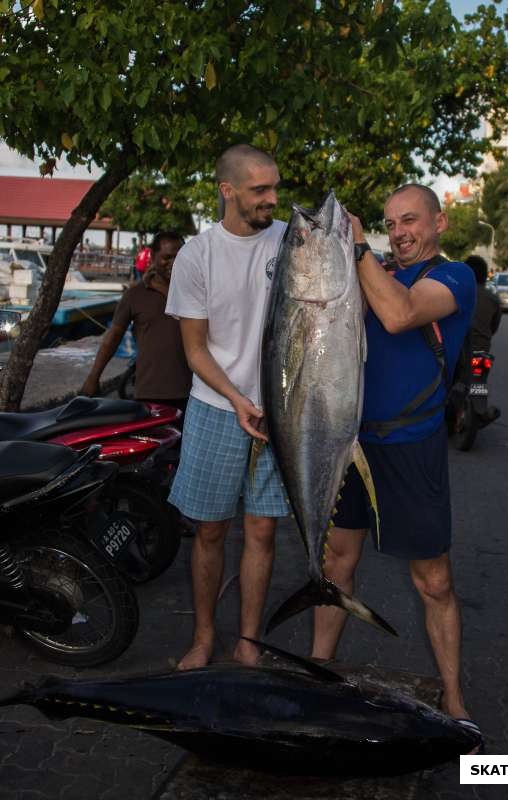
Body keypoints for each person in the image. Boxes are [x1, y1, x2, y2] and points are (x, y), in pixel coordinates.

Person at [312, 184, 481, 748]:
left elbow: (399, 314)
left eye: (410, 220)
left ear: (439, 223)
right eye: (390, 223)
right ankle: (317, 673)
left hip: (412, 446)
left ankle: (455, 700)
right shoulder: (374, 267)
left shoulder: (454, 278)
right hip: (352, 444)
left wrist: (358, 250)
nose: (400, 231)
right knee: (336, 564)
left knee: (433, 581)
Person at [165, 144, 289, 671]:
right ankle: (202, 638)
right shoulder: (197, 255)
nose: (272, 199)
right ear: (228, 190)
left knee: (262, 531)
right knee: (211, 530)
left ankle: (249, 641)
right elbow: (195, 350)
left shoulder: (291, 240)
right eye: (260, 189)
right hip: (216, 407)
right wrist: (237, 398)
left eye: (275, 188)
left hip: (279, 411)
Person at [81, 231, 191, 413]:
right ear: (153, 256)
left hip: (190, 393)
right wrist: (93, 377)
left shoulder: (194, 293)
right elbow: (112, 338)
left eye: (179, 257)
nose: (173, 263)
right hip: (149, 392)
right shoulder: (135, 295)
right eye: (167, 257)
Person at [464, 255, 501, 352]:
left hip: (458, 349)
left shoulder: (455, 292)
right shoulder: (493, 298)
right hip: (482, 348)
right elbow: (493, 327)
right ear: (484, 274)